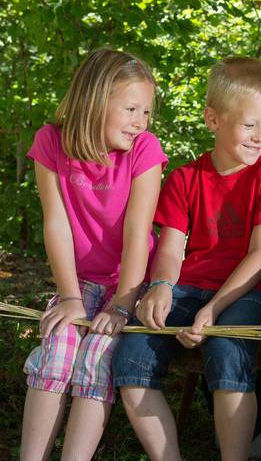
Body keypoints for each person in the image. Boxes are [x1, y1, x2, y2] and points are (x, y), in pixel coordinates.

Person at [112, 56, 261, 461]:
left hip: (251, 293)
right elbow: (171, 250)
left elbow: (259, 257)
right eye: (250, 125)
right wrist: (160, 286)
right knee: (132, 356)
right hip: (189, 288)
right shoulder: (183, 179)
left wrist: (214, 309)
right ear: (213, 120)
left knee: (226, 344)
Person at [20, 48, 168, 460]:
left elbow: (139, 234)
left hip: (128, 283)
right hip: (80, 282)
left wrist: (122, 306)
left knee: (97, 355)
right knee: (57, 346)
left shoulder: (144, 150)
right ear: (96, 100)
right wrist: (68, 297)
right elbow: (57, 224)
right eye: (131, 109)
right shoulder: (51, 142)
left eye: (147, 112)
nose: (141, 122)